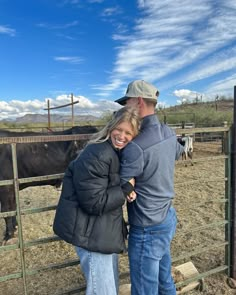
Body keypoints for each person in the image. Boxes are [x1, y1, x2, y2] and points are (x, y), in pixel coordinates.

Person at [53, 106, 140, 295]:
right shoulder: (98, 154)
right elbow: (94, 202)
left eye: (128, 133)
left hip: (100, 231)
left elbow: (105, 186)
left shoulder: (111, 151)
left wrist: (123, 190)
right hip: (91, 235)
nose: (122, 136)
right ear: (110, 127)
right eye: (119, 129)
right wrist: (126, 188)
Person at [114, 80, 184, 295]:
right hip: (166, 216)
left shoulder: (136, 146)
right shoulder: (169, 132)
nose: (125, 107)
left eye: (128, 102)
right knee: (164, 280)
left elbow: (120, 184)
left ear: (139, 102)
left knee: (144, 289)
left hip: (147, 225)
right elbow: (178, 153)